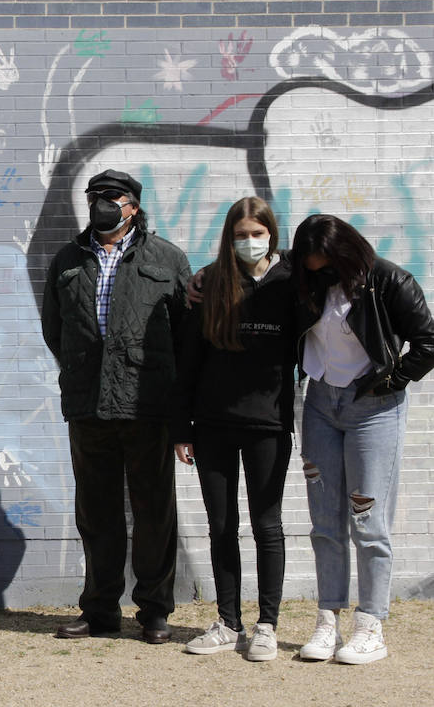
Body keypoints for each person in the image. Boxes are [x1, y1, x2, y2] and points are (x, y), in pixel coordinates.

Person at [40, 169, 191, 644]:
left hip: (147, 406)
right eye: (95, 197)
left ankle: (154, 611)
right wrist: (82, 371)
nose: (102, 203)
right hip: (88, 406)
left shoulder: (166, 257)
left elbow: (185, 333)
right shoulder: (68, 259)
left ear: (133, 206)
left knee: (153, 513)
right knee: (97, 514)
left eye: (112, 197)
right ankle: (100, 610)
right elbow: (55, 330)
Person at [289, 214, 434, 664]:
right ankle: (327, 620)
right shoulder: (306, 281)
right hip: (319, 404)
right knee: (325, 523)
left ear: (344, 252)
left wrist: (391, 382)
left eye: (325, 264)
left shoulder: (389, 279)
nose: (319, 273)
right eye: (312, 266)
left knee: (367, 522)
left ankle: (370, 626)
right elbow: (255, 286)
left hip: (373, 408)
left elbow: (428, 341)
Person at [173, 197, 297, 661]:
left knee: (268, 525)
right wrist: (180, 427)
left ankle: (267, 625)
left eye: (257, 233)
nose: (250, 242)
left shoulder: (292, 282)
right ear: (229, 236)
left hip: (269, 424)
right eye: (241, 234)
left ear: (272, 234)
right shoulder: (210, 282)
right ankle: (228, 622)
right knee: (221, 526)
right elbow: (189, 361)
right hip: (212, 425)